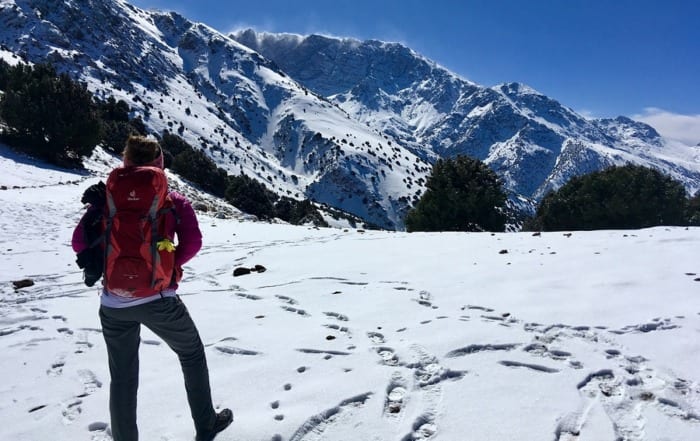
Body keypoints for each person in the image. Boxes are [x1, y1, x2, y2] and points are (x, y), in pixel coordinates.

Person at [72, 136, 232, 441]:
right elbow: (193, 243)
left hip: (113, 303)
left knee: (122, 377)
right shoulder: (172, 200)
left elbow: (79, 242)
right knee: (192, 354)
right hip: (159, 299)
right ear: (159, 164)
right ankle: (206, 423)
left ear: (125, 161)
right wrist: (168, 268)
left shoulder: (106, 199)